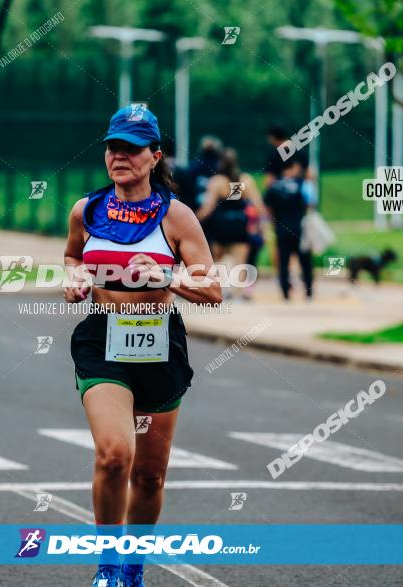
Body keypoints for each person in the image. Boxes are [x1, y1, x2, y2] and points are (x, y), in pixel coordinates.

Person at [64, 105, 220, 587]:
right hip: (102, 340)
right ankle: (107, 569)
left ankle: (134, 568)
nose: (119, 156)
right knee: (114, 454)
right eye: (113, 147)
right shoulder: (86, 209)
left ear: (155, 155)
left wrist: (169, 275)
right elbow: (72, 254)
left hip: (159, 344)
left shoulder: (177, 217)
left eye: (131, 148)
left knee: (150, 476)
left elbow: (213, 291)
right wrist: (73, 278)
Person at [195, 149, 266, 300]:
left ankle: (223, 290)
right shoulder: (245, 180)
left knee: (218, 259)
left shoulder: (218, 181)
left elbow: (208, 207)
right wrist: (261, 226)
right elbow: (259, 207)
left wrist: (194, 220)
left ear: (221, 163)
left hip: (221, 225)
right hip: (239, 224)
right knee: (240, 261)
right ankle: (238, 294)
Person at [264, 160, 315, 300]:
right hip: (300, 229)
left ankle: (285, 292)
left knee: (283, 261)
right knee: (305, 261)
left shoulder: (273, 186)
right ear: (293, 167)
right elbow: (310, 203)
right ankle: (309, 291)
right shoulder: (303, 184)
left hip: (281, 229)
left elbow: (267, 208)